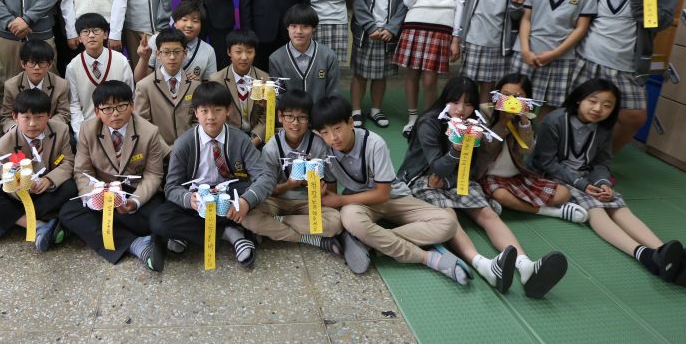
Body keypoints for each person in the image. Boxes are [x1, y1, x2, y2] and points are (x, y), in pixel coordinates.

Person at [528, 79, 686, 286]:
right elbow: (548, 163)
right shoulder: (554, 120)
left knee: (617, 205)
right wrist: (582, 184)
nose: (598, 109)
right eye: (593, 101)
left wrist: (603, 183)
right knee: (596, 209)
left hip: (585, 176)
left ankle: (665, 254)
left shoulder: (604, 127)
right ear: (579, 99)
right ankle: (645, 256)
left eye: (607, 105)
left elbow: (602, 162)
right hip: (552, 176)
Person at [399, 77, 568, 298]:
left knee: (487, 213)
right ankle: (483, 265)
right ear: (444, 100)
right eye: (455, 102)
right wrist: (456, 149)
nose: (461, 109)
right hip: (425, 177)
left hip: (458, 177)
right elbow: (437, 167)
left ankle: (525, 265)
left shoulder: (474, 123)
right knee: (448, 217)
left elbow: (474, 164)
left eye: (468, 104)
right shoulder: (429, 122)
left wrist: (456, 175)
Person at [312, 95, 458, 277]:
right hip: (359, 203)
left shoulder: (374, 144)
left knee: (448, 223)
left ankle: (367, 242)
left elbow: (382, 194)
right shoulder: (326, 152)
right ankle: (425, 257)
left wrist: (340, 200)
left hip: (394, 197)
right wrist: (323, 194)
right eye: (325, 133)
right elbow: (332, 195)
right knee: (350, 217)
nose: (333, 137)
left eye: (337, 128)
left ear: (350, 123)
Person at [150, 82, 275, 268]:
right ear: (195, 112)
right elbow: (171, 186)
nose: (211, 117)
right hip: (197, 197)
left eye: (217, 110)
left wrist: (245, 202)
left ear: (228, 111)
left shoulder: (240, 139)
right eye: (204, 111)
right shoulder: (183, 143)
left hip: (229, 195)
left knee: (253, 195)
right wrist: (189, 199)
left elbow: (266, 176)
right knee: (159, 220)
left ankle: (187, 233)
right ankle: (230, 234)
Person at [573, 0, 677, 152]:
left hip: (625, 65)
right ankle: (575, 153)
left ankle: (603, 157)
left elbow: (655, 24)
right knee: (582, 110)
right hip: (588, 57)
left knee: (634, 117)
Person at [59, 81, 166, 269]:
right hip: (103, 191)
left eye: (121, 106)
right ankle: (136, 244)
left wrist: (134, 202)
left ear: (132, 105)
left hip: (134, 190)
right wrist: (93, 196)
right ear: (97, 111)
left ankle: (97, 229)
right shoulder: (87, 129)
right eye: (107, 108)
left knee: (158, 217)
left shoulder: (149, 132)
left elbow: (153, 175)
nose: (115, 113)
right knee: (68, 212)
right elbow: (82, 170)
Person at [0, 89, 77, 251]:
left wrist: (49, 180)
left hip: (47, 189)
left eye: (39, 117)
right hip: (21, 195)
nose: (33, 124)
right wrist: (20, 188)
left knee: (70, 187)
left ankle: (9, 220)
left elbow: (68, 161)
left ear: (49, 115)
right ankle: (37, 224)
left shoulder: (61, 130)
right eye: (26, 117)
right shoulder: (3, 144)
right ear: (15, 117)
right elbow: (6, 178)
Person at [476, 73, 588, 224]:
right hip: (488, 175)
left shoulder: (526, 117)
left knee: (564, 194)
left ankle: (502, 202)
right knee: (501, 195)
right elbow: (486, 147)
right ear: (497, 94)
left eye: (518, 97)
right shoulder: (484, 111)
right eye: (506, 95)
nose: (511, 100)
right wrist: (502, 122)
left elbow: (526, 150)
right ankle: (551, 212)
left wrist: (523, 121)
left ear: (527, 99)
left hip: (515, 175)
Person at [241, 89, 343, 254]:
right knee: (247, 217)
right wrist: (289, 185)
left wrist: (320, 191)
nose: (295, 123)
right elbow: (266, 189)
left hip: (307, 201)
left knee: (336, 221)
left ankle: (274, 224)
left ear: (309, 120)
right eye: (289, 116)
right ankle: (311, 238)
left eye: (302, 117)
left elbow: (331, 188)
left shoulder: (318, 145)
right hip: (276, 200)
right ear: (280, 116)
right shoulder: (271, 148)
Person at [395, 0, 467, 137]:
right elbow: (408, 1)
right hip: (415, 24)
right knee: (411, 75)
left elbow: (460, 3)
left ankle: (428, 120)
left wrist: (456, 37)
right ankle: (412, 118)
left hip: (441, 28)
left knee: (430, 79)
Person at [512, 0, 597, 111]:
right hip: (527, 53)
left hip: (562, 57)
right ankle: (514, 132)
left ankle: (540, 132)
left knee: (550, 109)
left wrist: (554, 54)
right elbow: (526, 18)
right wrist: (525, 50)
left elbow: (581, 28)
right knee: (512, 105)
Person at [350, 0, 408, 129]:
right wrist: (371, 27)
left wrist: (392, 28)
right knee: (360, 73)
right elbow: (358, 0)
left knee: (381, 75)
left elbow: (405, 2)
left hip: (388, 33)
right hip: (366, 32)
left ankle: (376, 110)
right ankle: (356, 111)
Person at [64, 13, 134, 136]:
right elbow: (74, 104)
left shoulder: (121, 60)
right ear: (79, 38)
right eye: (85, 32)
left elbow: (130, 96)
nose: (91, 35)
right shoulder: (72, 67)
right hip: (88, 126)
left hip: (119, 124)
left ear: (105, 34)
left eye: (96, 30)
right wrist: (81, 133)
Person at [134, 28, 199, 148]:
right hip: (158, 151)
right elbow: (142, 125)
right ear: (158, 54)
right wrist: (167, 151)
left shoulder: (195, 85)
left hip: (189, 148)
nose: (172, 57)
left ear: (185, 54)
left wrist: (185, 147)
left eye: (177, 51)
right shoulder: (144, 86)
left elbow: (198, 121)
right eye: (166, 52)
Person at [208, 29, 270, 147]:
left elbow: (266, 115)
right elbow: (215, 114)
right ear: (229, 52)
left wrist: (256, 140)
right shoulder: (216, 80)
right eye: (238, 52)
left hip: (256, 138)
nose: (244, 57)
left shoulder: (264, 79)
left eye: (249, 52)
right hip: (228, 138)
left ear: (255, 53)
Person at [268, 4, 339, 102]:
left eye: (305, 26)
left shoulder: (328, 56)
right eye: (294, 26)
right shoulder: (276, 58)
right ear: (287, 27)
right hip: (290, 111)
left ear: (314, 28)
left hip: (321, 111)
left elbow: (333, 93)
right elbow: (278, 96)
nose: (298, 31)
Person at [134, 0, 217, 82]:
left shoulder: (208, 51)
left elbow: (212, 86)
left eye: (195, 21)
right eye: (184, 20)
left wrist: (197, 84)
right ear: (175, 22)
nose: (189, 25)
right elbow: (140, 80)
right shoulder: (156, 40)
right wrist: (144, 59)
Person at [0, 39, 70, 133]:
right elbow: (6, 117)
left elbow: (64, 114)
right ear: (23, 64)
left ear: (49, 64)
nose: (37, 67)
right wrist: (22, 131)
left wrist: (43, 126)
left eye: (42, 62)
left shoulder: (61, 84)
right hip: (20, 132)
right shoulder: (11, 86)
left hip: (50, 130)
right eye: (31, 62)